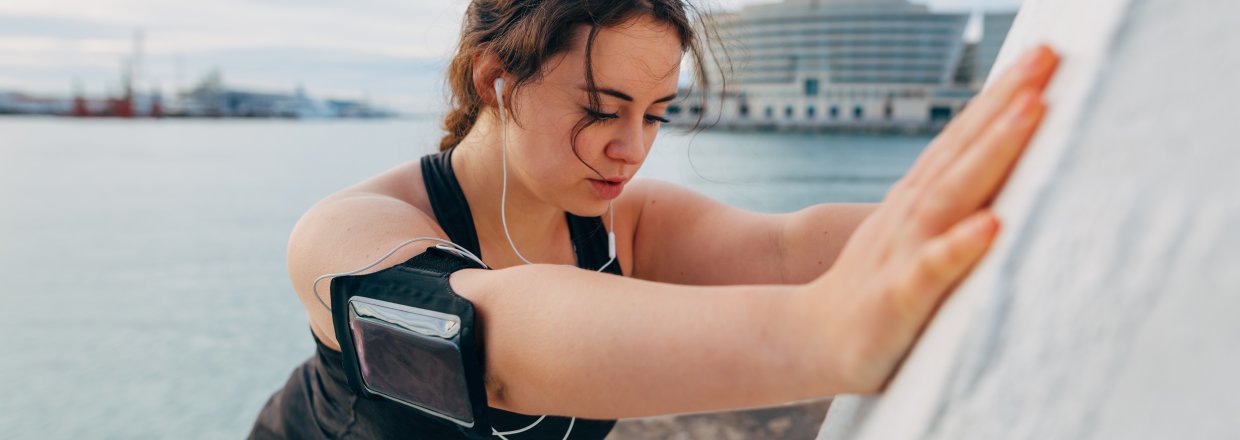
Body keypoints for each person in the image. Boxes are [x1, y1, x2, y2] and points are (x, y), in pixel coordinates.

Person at [249, 0, 1060, 438]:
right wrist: (825, 333)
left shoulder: (619, 225)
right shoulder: (348, 231)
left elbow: (780, 249)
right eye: (603, 110)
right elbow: (490, 340)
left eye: (657, 113)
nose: (631, 149)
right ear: (498, 80)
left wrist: (1003, 216)